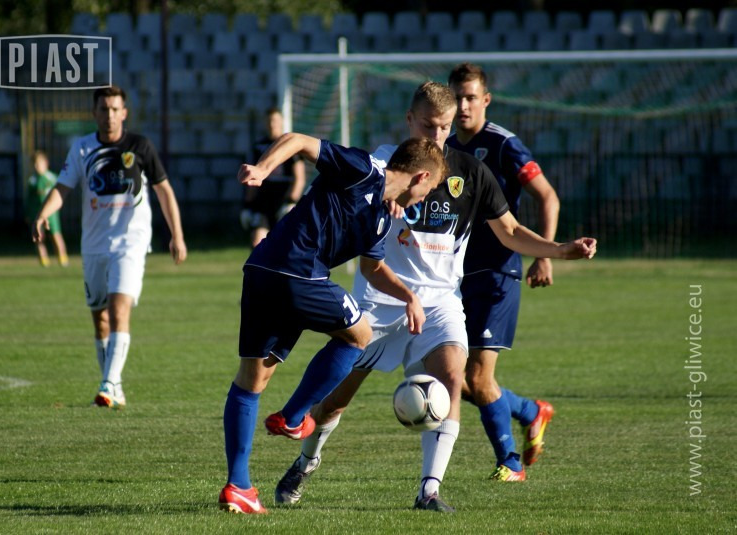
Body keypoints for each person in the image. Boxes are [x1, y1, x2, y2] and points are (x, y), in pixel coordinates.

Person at [272, 82, 596, 512]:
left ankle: (429, 491)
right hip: (380, 300)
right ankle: (305, 462)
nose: (438, 135)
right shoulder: (384, 165)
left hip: (441, 301)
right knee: (336, 400)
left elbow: (511, 232)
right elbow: (348, 205)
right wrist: (378, 204)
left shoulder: (472, 173)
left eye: (445, 127)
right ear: (410, 120)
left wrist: (560, 250)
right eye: (428, 126)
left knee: (451, 377)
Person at [219, 133, 449, 515]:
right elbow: (297, 140)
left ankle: (239, 486)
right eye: (431, 189)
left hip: (262, 270)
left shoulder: (381, 218)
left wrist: (409, 297)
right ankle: (294, 418)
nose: (425, 199)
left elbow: (372, 269)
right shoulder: (363, 170)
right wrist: (263, 168)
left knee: (252, 379)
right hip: (298, 271)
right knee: (360, 335)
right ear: (421, 177)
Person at [31, 85, 187, 409]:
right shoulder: (82, 148)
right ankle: (113, 387)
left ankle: (109, 383)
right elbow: (62, 188)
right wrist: (43, 214)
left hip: (131, 242)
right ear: (94, 113)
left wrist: (177, 235)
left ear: (124, 113)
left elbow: (164, 191)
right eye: (104, 109)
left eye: (115, 109)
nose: (110, 115)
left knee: (119, 309)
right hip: (94, 245)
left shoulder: (140, 147)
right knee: (100, 319)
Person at [447, 62, 561, 481]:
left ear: (486, 100)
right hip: (455, 276)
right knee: (446, 375)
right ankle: (530, 411)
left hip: (498, 272)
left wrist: (544, 254)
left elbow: (547, 196)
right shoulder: (444, 146)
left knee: (478, 376)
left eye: (470, 98)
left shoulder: (503, 145)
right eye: (457, 97)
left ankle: (510, 464)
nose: (463, 106)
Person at [240, 107, 306, 248]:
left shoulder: (290, 144)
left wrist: (291, 201)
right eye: (269, 120)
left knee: (285, 244)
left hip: (283, 199)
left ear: (281, 122)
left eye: (275, 120)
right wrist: (248, 205)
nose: (272, 124)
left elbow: (299, 177)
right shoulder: (259, 147)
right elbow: (251, 177)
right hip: (264, 199)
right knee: (257, 242)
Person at [25, 150, 69, 267]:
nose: (36, 167)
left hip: (51, 213)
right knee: (39, 237)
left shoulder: (52, 178)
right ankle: (44, 261)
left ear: (45, 163)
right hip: (36, 213)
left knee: (56, 235)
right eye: (34, 164)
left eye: (38, 163)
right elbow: (29, 199)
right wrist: (28, 214)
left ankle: (63, 258)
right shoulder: (32, 181)